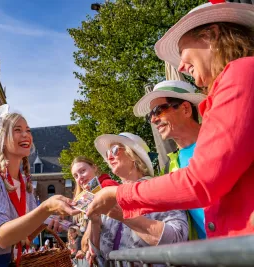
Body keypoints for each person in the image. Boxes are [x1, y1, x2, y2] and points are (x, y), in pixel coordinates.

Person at [87, 1, 254, 238]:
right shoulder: (173, 160)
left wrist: (119, 194)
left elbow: (201, 182)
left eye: (183, 51)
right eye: (151, 114)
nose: (182, 65)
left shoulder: (241, 72)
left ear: (211, 35)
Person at [0, 104, 79, 266]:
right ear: (2, 139)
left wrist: (43, 222)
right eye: (18, 130)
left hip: (5, 259)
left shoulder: (24, 182)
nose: (26, 134)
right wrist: (45, 208)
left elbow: (21, 237)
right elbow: (3, 238)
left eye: (28, 130)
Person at [87, 133, 188, 266]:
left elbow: (178, 238)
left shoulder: (158, 188)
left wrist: (125, 217)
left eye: (115, 150)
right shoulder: (111, 198)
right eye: (107, 153)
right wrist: (95, 223)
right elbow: (98, 255)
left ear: (133, 155)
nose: (109, 157)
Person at [133, 80, 207, 240]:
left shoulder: (220, 140)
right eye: (150, 115)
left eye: (158, 110)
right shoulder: (170, 166)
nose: (153, 120)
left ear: (186, 109)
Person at [70, 156, 118, 264]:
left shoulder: (107, 186)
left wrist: (86, 248)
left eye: (83, 171)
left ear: (94, 168)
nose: (80, 178)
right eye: (75, 176)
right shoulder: (87, 195)